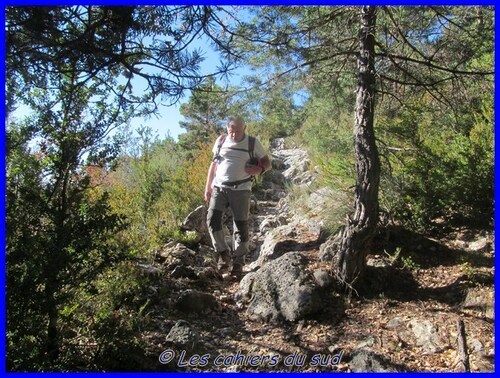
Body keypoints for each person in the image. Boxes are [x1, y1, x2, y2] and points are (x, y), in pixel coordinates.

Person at [204, 116, 271, 279]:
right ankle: (223, 254)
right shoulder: (220, 141)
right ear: (227, 128)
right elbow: (214, 165)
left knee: (240, 226)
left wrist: (259, 170)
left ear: (245, 128)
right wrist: (207, 187)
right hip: (219, 187)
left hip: (241, 189)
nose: (234, 134)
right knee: (212, 219)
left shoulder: (252, 143)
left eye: (238, 131)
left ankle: (238, 262)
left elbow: (267, 163)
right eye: (231, 131)